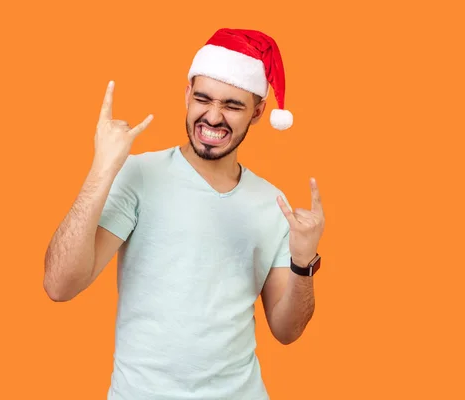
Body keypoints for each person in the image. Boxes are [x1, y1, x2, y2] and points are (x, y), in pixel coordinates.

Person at [44, 28, 326, 400]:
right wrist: (102, 169)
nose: (212, 116)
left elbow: (286, 331)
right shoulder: (140, 175)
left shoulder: (272, 203)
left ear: (258, 112)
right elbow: (59, 286)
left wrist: (303, 261)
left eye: (232, 105)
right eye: (202, 98)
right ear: (187, 95)